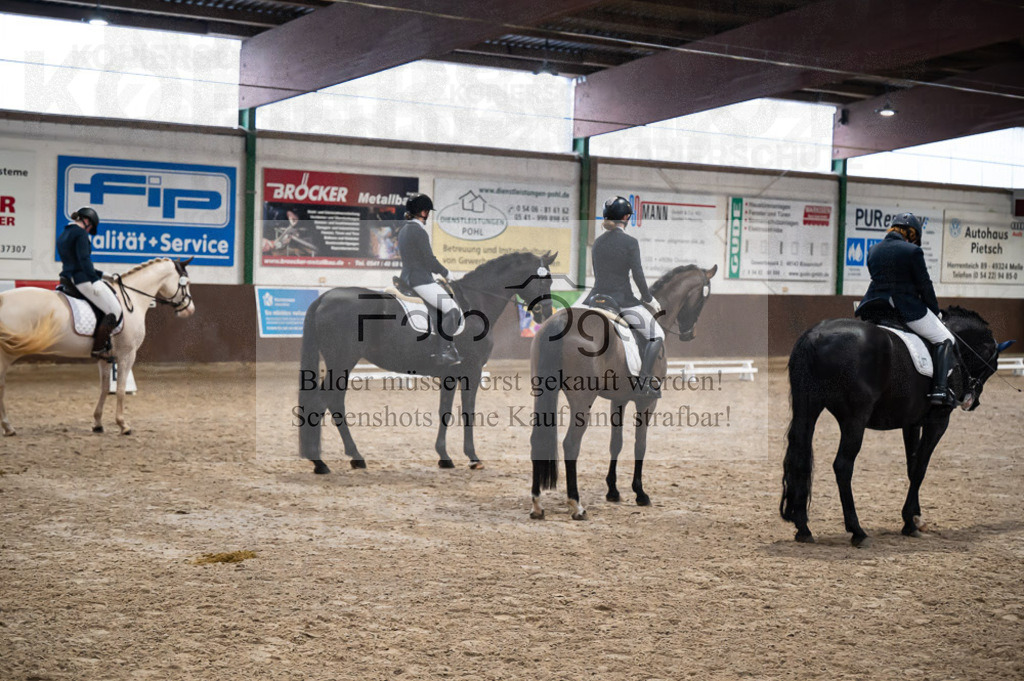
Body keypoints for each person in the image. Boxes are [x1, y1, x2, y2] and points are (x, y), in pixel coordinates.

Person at [855, 212, 956, 407]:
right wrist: (935, 311)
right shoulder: (912, 251)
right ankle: (940, 390)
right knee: (945, 338)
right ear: (912, 233)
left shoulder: (873, 250)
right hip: (904, 307)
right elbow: (924, 285)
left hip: (876, 307)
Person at [585, 196, 665, 398]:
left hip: (596, 298)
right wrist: (648, 298)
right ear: (626, 217)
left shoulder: (598, 243)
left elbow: (598, 273)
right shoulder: (630, 242)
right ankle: (644, 382)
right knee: (657, 334)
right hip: (622, 301)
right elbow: (637, 274)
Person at [397, 194, 462, 366]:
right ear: (424, 212)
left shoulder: (403, 230)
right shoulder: (418, 231)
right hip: (420, 280)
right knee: (452, 309)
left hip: (407, 278)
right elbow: (429, 260)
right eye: (427, 212)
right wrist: (447, 273)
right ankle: (444, 352)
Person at [56, 206, 121, 359]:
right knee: (114, 311)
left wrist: (102, 275)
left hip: (67, 278)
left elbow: (75, 262)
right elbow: (84, 260)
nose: (89, 230)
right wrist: (95, 280)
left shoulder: (65, 233)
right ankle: (99, 348)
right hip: (81, 280)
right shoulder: (80, 234)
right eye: (90, 227)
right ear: (86, 220)